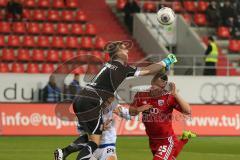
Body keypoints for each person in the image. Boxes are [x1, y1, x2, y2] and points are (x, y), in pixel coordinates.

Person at [54, 40, 177, 160]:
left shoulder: (108, 65)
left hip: (81, 99)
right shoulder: (121, 67)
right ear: (117, 53)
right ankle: (64, 153)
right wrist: (166, 61)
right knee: (95, 141)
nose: (127, 50)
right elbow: (148, 71)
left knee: (90, 135)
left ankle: (64, 152)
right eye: (124, 48)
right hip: (91, 101)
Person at [128, 72, 196, 160]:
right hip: (152, 140)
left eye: (156, 87)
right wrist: (138, 109)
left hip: (166, 141)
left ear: (163, 87)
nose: (152, 89)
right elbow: (131, 112)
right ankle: (184, 139)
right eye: (152, 85)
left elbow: (187, 111)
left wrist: (176, 94)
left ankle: (183, 140)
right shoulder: (141, 95)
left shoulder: (168, 98)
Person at [56, 100, 151, 160]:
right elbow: (82, 130)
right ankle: (65, 152)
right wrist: (98, 128)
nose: (109, 103)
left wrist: (139, 110)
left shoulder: (112, 104)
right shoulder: (89, 110)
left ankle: (64, 152)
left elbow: (126, 114)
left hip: (107, 145)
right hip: (92, 147)